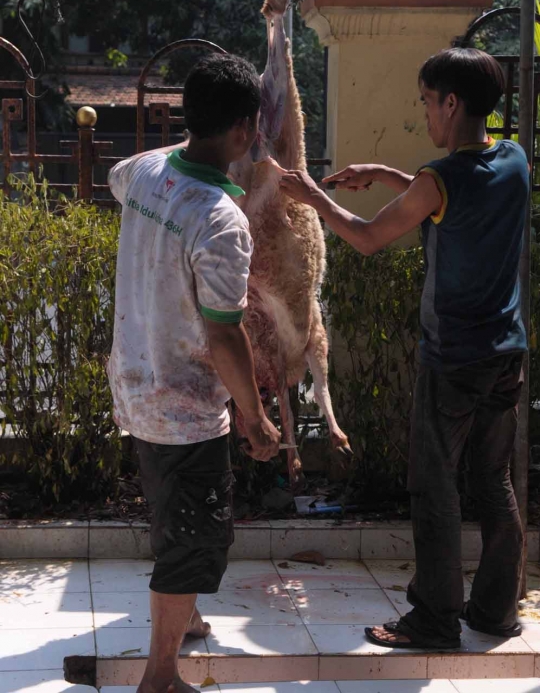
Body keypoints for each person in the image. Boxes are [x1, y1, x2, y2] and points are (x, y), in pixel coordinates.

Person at [278, 47, 528, 650]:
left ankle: (435, 620)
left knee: (434, 487)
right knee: (493, 482)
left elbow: (366, 238)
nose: (425, 116)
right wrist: (389, 176)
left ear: (451, 102)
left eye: (425, 102)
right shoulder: (515, 159)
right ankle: (495, 614)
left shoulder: (442, 180)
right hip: (506, 354)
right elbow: (442, 197)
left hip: (453, 359)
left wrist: (313, 197)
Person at [107, 53, 281, 693]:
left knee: (169, 508)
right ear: (242, 130)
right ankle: (160, 676)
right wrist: (256, 420)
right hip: (183, 403)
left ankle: (189, 616)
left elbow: (119, 179)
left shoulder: (146, 170)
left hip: (134, 381)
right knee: (194, 541)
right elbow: (224, 333)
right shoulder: (220, 220)